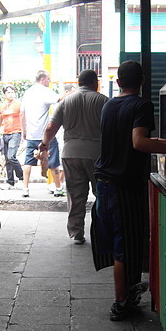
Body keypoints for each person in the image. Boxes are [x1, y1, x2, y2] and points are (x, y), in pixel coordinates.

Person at [92, 60, 166, 321]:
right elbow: (138, 142)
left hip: (104, 182)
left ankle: (128, 293)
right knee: (125, 244)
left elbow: (124, 139)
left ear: (118, 82)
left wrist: (160, 143)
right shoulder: (142, 104)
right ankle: (120, 303)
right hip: (124, 186)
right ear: (142, 81)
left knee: (122, 242)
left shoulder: (109, 105)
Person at [40, 70, 108, 245]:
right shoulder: (103, 101)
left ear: (79, 83)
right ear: (96, 83)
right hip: (97, 154)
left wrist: (45, 144)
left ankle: (76, 233)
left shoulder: (65, 102)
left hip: (71, 154)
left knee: (76, 195)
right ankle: (102, 232)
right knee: (101, 194)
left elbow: (50, 128)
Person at [20, 70, 61, 197]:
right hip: (46, 135)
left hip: (31, 134)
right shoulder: (46, 91)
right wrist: (62, 86)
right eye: (48, 79)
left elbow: (22, 113)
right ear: (43, 79)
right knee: (53, 161)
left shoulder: (28, 92)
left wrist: (24, 131)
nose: (49, 81)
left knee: (28, 162)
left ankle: (25, 189)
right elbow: (60, 99)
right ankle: (58, 188)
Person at [0, 85, 24, 188]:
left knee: (11, 157)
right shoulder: (1, 106)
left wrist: (24, 133)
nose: (11, 94)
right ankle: (10, 182)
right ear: (4, 94)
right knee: (7, 159)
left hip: (16, 133)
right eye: (8, 92)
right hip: (5, 134)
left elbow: (24, 118)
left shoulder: (19, 104)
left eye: (12, 92)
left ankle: (22, 178)